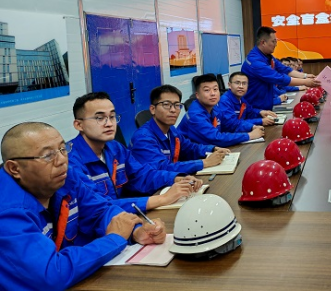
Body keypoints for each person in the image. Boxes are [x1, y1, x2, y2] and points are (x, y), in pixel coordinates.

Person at [0, 122, 167, 290]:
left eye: (62, 149)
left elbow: (100, 211)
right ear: (14, 168)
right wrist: (114, 239)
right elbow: (51, 274)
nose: (62, 161)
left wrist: (135, 231)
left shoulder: (66, 177)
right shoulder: (8, 211)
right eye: (48, 155)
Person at [70, 92, 201, 214]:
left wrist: (176, 178)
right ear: (79, 125)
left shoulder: (115, 148)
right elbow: (98, 207)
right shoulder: (71, 162)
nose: (109, 123)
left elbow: (142, 175)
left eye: (112, 116)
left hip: (120, 216)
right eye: (99, 118)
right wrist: (162, 199)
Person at [130, 85, 229, 174]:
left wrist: (212, 149)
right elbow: (160, 168)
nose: (173, 110)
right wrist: (204, 163)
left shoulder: (171, 130)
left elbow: (189, 147)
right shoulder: (143, 138)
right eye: (166, 104)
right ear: (153, 109)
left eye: (177, 105)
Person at [241, 27, 320, 111]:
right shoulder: (255, 61)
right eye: (273, 41)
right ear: (263, 42)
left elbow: (284, 69)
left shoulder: (267, 56)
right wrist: (305, 82)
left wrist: (306, 76)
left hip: (265, 106)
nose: (276, 44)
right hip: (254, 108)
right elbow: (280, 78)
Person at [178, 74, 265, 147]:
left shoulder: (215, 107)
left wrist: (252, 127)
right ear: (197, 95)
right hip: (189, 156)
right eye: (207, 90)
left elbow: (231, 124)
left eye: (215, 89)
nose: (213, 93)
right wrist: (249, 135)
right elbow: (216, 138)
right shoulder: (195, 115)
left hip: (209, 149)